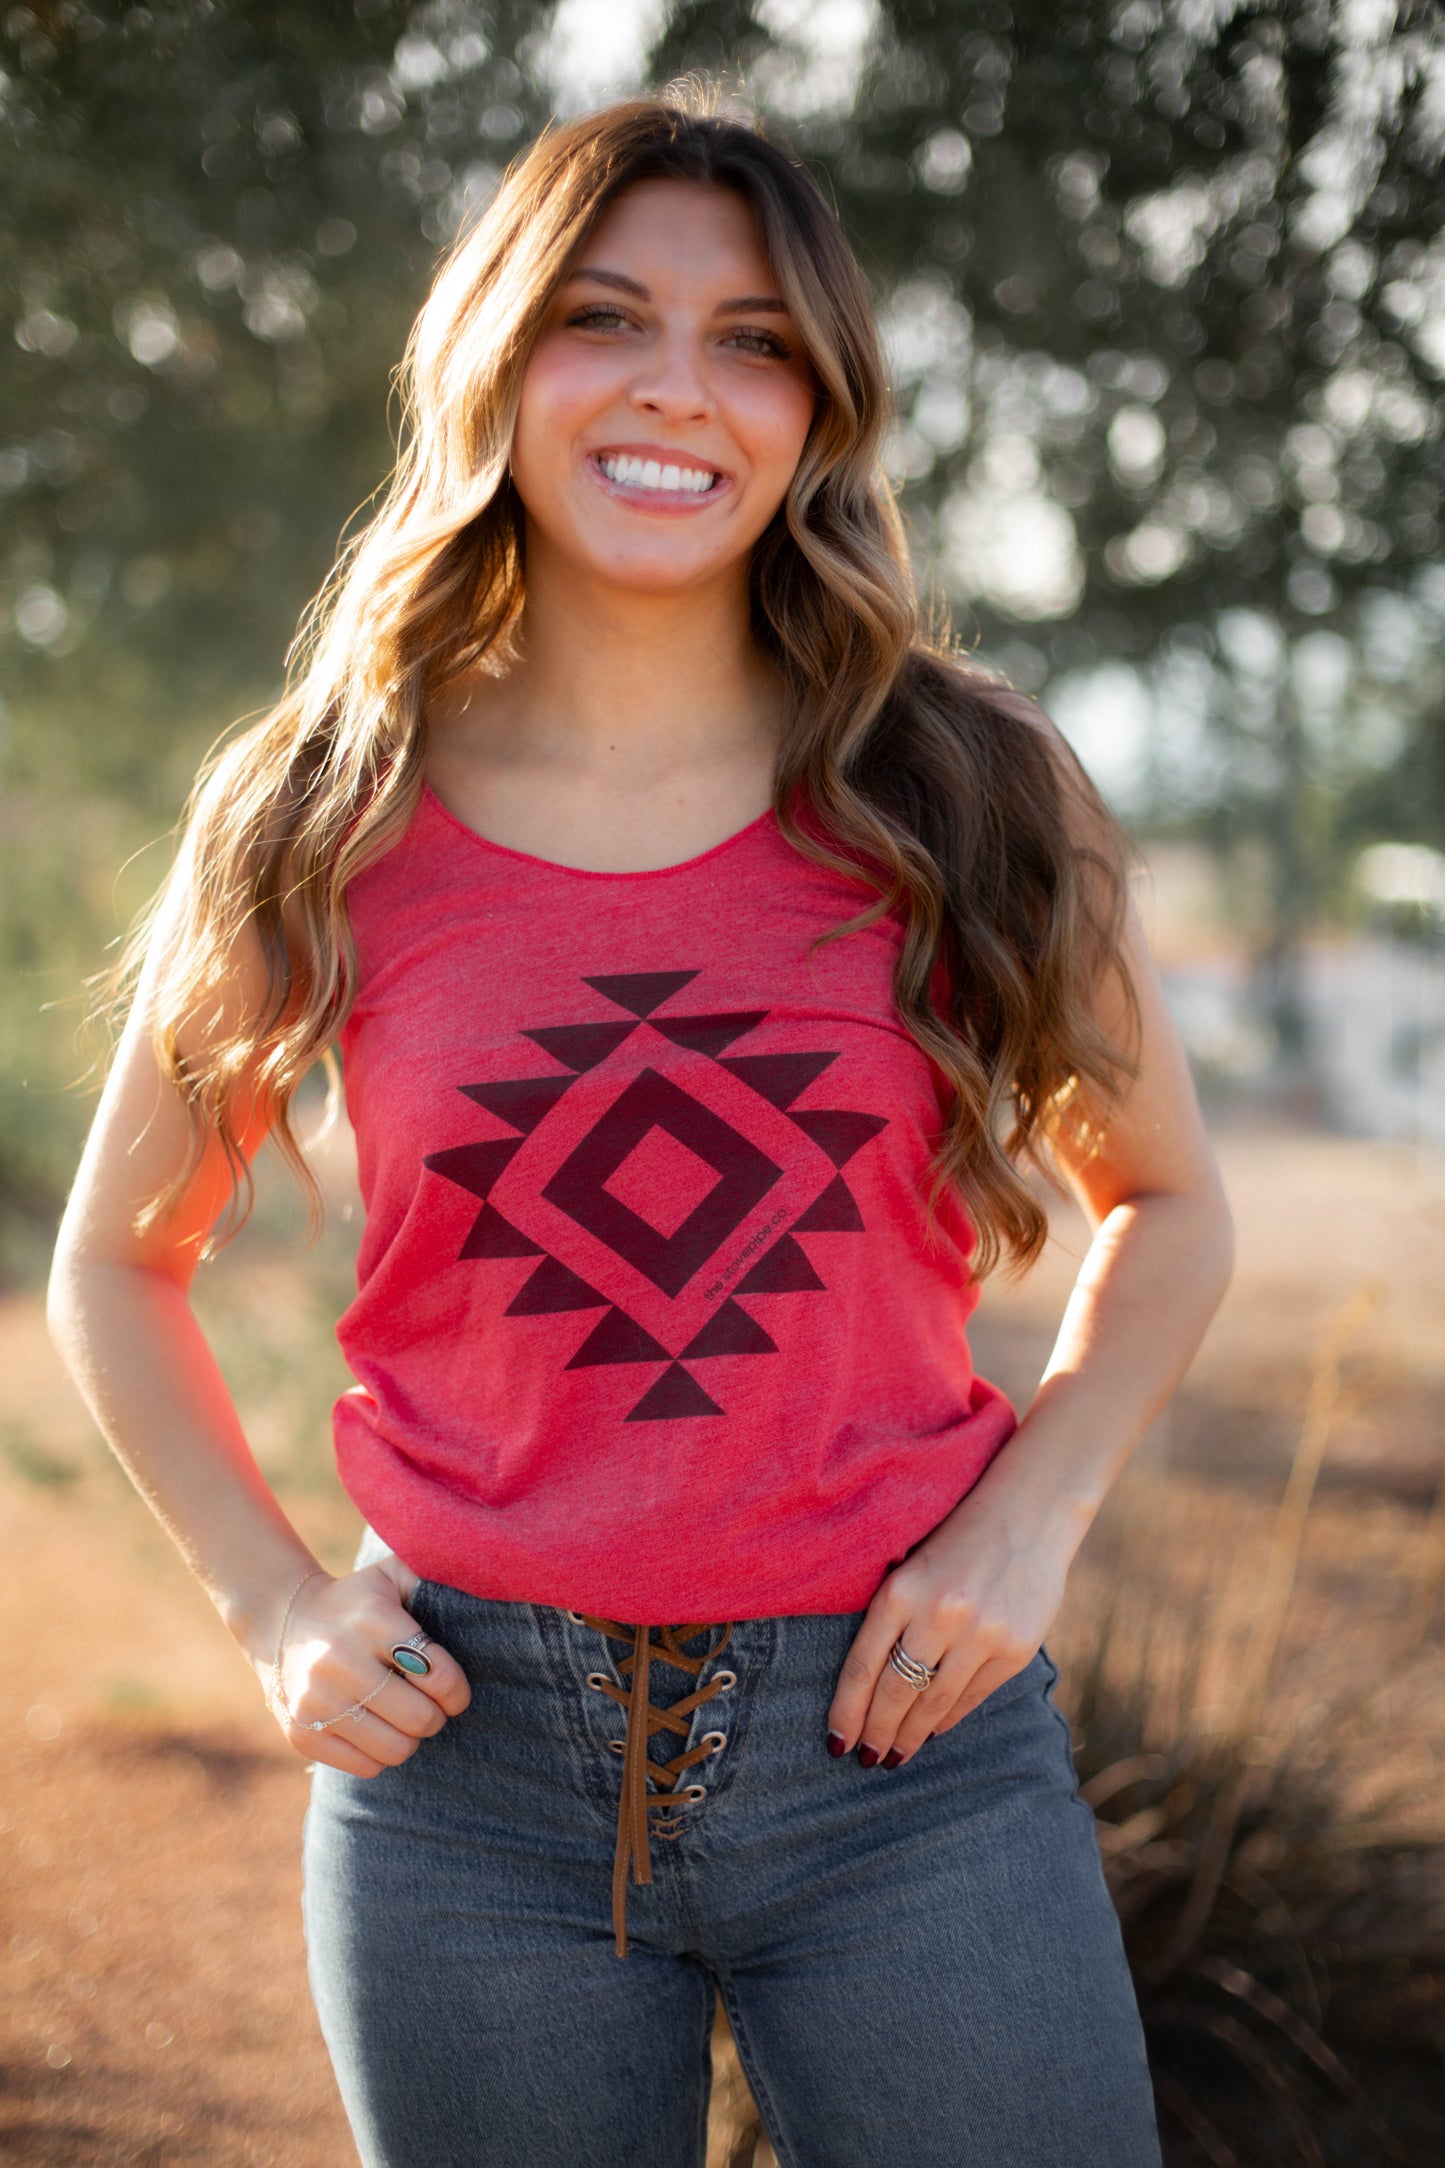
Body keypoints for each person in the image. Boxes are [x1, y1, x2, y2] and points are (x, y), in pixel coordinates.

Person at [48, 90, 1232, 2168]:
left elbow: (1172, 1203)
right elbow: (116, 1263)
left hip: (904, 1752)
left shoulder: (970, 783)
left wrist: (1028, 1520)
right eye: (609, 316)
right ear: (499, 356)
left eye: (755, 338)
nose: (682, 387)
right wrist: (270, 1605)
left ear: (819, 405)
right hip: (466, 1780)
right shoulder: (322, 808)